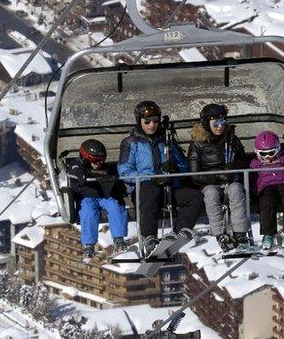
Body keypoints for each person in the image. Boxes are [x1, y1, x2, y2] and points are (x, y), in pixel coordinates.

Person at [118, 100, 202, 257]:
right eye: (147, 122)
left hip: (169, 188)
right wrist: (151, 177)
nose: (152, 125)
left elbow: (184, 166)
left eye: (155, 121)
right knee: (150, 190)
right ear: (139, 121)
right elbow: (124, 171)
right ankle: (150, 238)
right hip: (145, 190)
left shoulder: (167, 141)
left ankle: (178, 235)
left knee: (194, 196)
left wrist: (173, 168)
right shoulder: (131, 143)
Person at [188, 104, 252, 252]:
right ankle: (219, 234)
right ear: (206, 124)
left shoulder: (231, 139)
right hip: (209, 183)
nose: (219, 127)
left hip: (230, 180)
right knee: (211, 194)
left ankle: (240, 234)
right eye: (215, 124)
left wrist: (233, 166)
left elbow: (243, 161)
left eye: (222, 123)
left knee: (236, 190)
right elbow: (194, 175)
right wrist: (217, 176)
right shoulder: (198, 144)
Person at [66, 139, 129, 262]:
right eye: (95, 160)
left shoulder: (106, 168)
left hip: (105, 194)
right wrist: (80, 172)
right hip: (87, 196)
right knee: (88, 212)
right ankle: (89, 246)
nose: (99, 163)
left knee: (116, 206)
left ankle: (119, 239)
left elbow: (115, 178)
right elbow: (73, 169)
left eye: (102, 160)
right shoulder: (77, 165)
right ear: (85, 157)